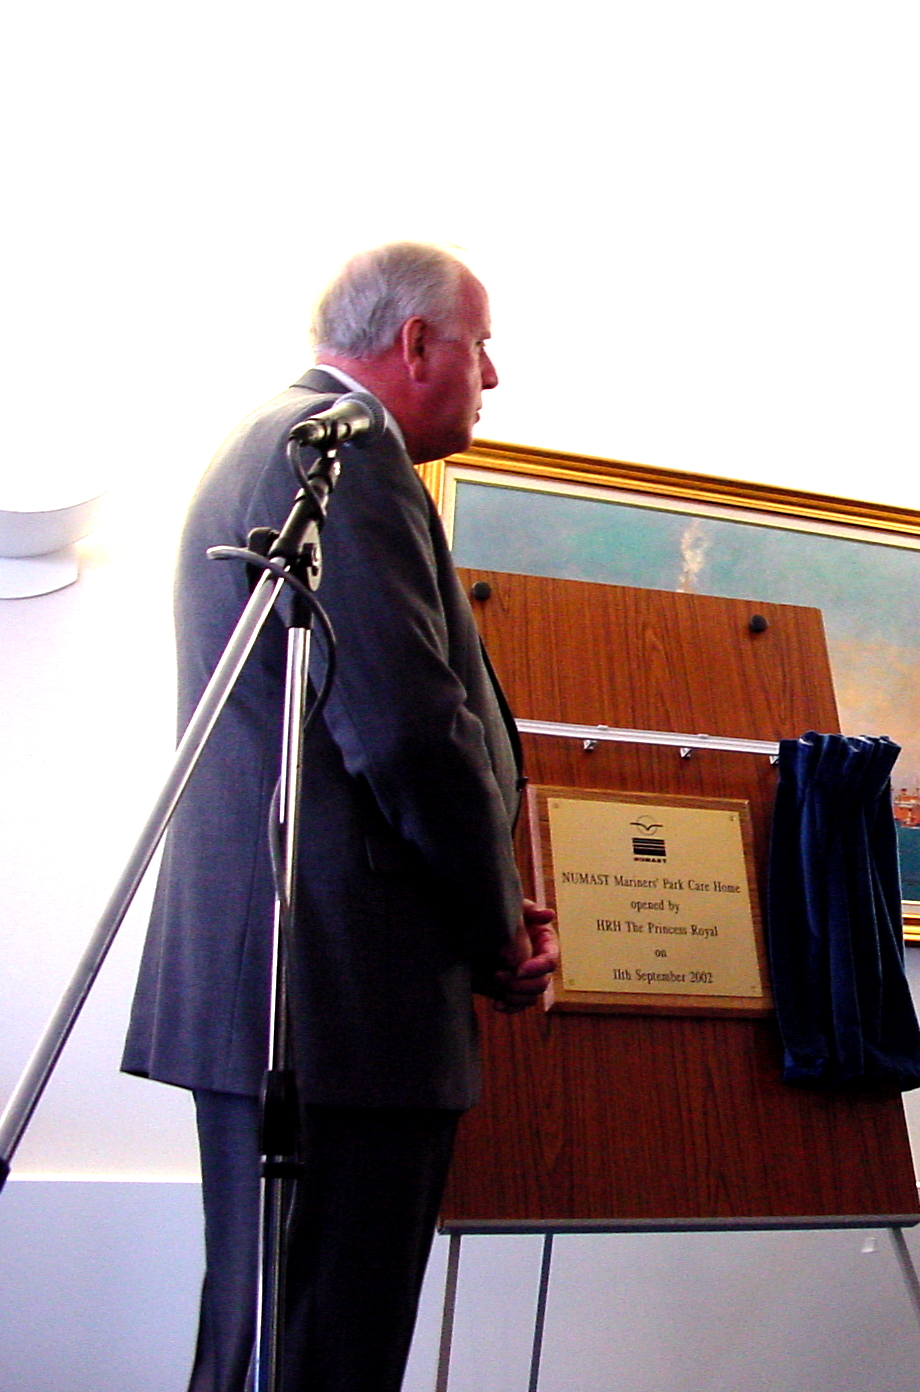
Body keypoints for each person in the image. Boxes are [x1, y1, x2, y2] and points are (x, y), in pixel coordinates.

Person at [122, 242, 559, 1392]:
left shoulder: (267, 442)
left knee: (269, 1338)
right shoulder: (346, 453)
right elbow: (409, 732)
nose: (493, 378)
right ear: (415, 344)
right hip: (340, 996)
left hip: (288, 985)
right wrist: (495, 936)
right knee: (323, 1351)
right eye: (482, 346)